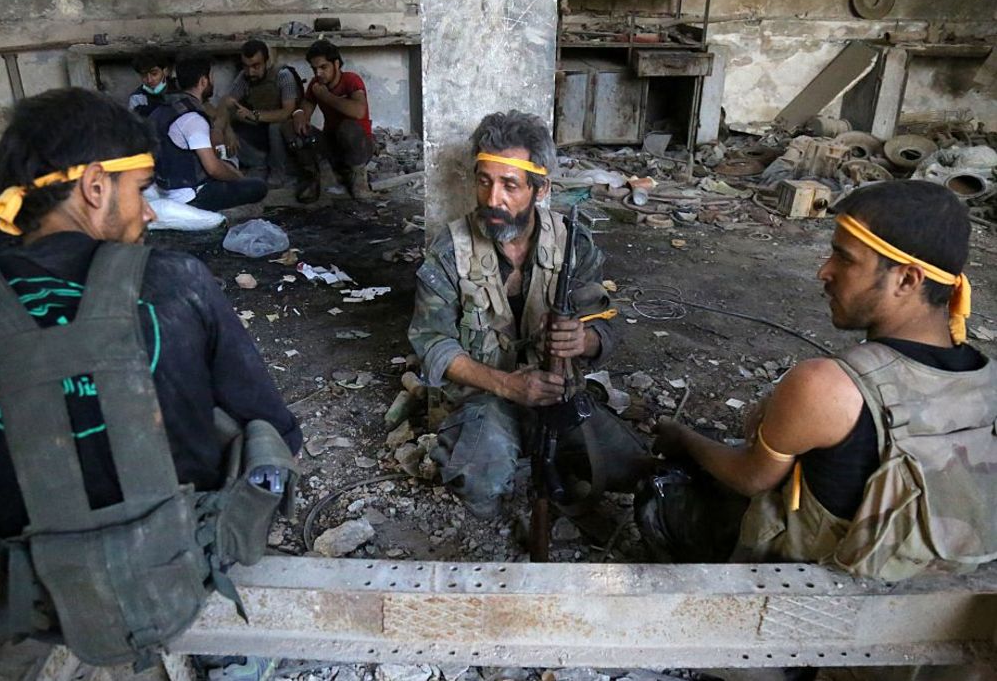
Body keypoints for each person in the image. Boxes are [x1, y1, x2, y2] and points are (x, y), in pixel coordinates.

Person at [0, 88, 301, 664]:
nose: (150, 211)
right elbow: (277, 428)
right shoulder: (179, 283)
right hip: (182, 575)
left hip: (29, 609)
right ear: (96, 186)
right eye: (143, 190)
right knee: (229, 407)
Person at [643, 180, 996, 581]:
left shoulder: (829, 386)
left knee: (663, 490)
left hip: (833, 591)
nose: (823, 270)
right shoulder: (986, 377)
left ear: (907, 280)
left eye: (844, 259)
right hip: (942, 583)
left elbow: (750, 477)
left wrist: (682, 438)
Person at [407, 111, 646, 518]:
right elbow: (431, 344)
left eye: (510, 185)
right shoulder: (450, 250)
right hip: (485, 397)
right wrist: (508, 386)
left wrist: (582, 340)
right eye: (484, 181)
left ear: (540, 188)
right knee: (481, 482)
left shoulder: (572, 244)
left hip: (557, 392)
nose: (492, 199)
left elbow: (603, 326)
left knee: (631, 469)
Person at [149, 55, 268, 212]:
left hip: (165, 187)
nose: (212, 83)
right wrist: (238, 178)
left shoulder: (163, 109)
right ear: (203, 82)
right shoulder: (192, 118)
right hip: (189, 196)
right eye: (211, 78)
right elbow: (213, 168)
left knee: (224, 157)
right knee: (258, 187)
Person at [289, 39, 374, 202]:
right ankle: (315, 177)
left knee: (347, 128)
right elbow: (305, 106)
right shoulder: (316, 84)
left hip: (360, 147)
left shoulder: (351, 80)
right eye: (314, 69)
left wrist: (327, 97)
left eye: (323, 67)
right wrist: (299, 114)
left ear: (336, 64)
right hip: (332, 145)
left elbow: (358, 111)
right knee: (290, 127)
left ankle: (358, 179)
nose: (318, 73)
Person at [218, 39, 302, 185]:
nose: (250, 72)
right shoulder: (244, 77)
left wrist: (254, 115)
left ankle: (278, 173)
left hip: (282, 133)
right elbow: (225, 103)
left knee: (276, 127)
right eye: (246, 66)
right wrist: (228, 130)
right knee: (222, 126)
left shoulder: (283, 75)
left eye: (256, 66)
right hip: (258, 131)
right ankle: (258, 164)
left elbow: (287, 112)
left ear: (266, 62)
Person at [127, 50, 174, 117]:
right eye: (144, 75)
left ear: (165, 71)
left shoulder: (178, 89)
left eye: (154, 74)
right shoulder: (137, 98)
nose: (149, 80)